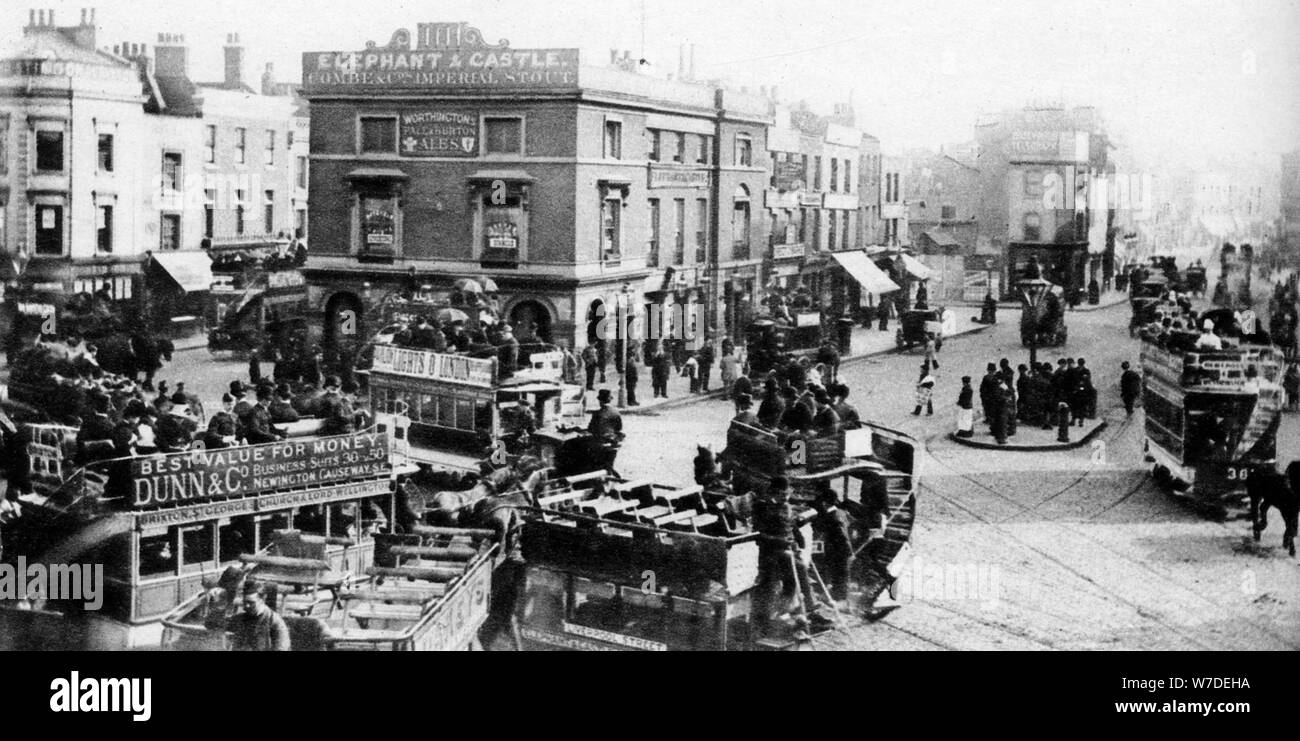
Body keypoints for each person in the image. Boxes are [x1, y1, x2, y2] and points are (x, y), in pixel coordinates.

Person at [751, 477, 815, 640]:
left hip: (786, 551)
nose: (786, 497)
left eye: (787, 494)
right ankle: (805, 608)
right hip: (770, 553)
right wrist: (779, 541)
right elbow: (758, 535)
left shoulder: (786, 506)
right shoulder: (762, 507)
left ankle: (797, 610)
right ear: (773, 492)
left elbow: (791, 526)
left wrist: (799, 540)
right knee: (791, 570)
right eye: (782, 494)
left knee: (798, 569)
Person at [811, 486, 853, 604]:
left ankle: (838, 600)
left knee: (838, 574)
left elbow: (840, 534)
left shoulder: (831, 517)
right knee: (842, 575)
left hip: (838, 550)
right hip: (843, 549)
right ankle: (842, 599)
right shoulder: (841, 512)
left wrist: (846, 550)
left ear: (824, 503)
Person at [229, 581, 291, 651]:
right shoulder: (239, 619)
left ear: (262, 600)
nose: (246, 606)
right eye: (244, 602)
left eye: (251, 602)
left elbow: (281, 647)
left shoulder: (275, 621)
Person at [588, 389, 624, 472]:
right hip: (613, 441)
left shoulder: (597, 414)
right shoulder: (616, 412)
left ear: (600, 401)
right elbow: (619, 428)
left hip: (600, 441)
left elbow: (591, 429)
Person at [979, 363, 1000, 429]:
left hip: (987, 396)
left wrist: (983, 395)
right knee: (991, 408)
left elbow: (982, 388)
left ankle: (988, 419)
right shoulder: (996, 378)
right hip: (992, 396)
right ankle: (990, 419)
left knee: (987, 408)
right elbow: (997, 388)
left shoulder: (986, 377)